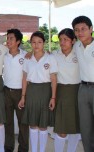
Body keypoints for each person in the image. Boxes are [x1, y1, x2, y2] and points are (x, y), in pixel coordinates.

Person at [19, 31, 57, 152]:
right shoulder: (27, 58)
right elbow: (24, 78)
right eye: (34, 42)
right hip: (31, 91)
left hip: (45, 91)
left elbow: (53, 79)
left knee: (43, 124)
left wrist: (53, 97)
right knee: (33, 123)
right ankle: (34, 150)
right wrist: (23, 96)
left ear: (44, 43)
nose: (36, 45)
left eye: (39, 42)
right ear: (31, 43)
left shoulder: (50, 57)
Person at [52, 28, 81, 152]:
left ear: (73, 41)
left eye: (66, 40)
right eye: (60, 40)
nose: (62, 42)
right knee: (61, 129)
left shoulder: (79, 54)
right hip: (61, 93)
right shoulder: (54, 54)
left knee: (75, 128)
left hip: (78, 93)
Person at [3, 29, 29, 152]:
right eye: (7, 38)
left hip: (20, 93)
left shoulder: (26, 55)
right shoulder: (4, 54)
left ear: (18, 41)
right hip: (6, 91)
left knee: (22, 123)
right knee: (7, 122)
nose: (8, 41)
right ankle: (8, 147)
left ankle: (23, 148)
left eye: (11, 38)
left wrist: (24, 95)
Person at [72, 15, 94, 152]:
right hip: (83, 89)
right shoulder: (77, 46)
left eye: (83, 29)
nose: (80, 32)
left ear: (91, 29)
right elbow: (62, 52)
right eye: (76, 30)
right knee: (85, 128)